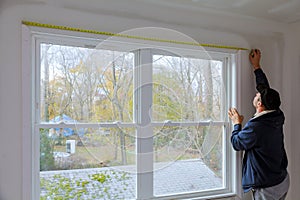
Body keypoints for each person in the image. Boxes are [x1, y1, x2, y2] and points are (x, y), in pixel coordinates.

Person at [228, 49, 289, 200]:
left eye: (257, 95)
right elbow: (265, 89)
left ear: (260, 104)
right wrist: (257, 66)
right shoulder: (277, 115)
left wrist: (237, 124)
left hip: (267, 188)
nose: (256, 94)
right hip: (282, 180)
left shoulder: (256, 127)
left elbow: (237, 143)